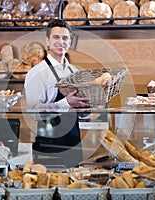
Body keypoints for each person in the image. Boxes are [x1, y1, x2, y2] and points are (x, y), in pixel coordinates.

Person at [24, 19, 90, 167]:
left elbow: (79, 111)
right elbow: (34, 113)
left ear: (70, 41)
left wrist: (85, 109)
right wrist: (66, 102)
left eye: (65, 38)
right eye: (56, 37)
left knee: (75, 186)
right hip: (48, 145)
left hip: (74, 144)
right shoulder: (36, 73)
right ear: (47, 41)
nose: (61, 41)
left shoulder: (75, 71)